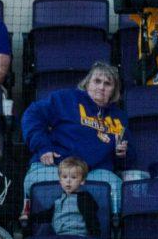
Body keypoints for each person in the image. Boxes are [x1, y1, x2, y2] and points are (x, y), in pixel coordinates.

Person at [20, 62, 128, 215]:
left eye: (108, 83)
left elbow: (127, 160)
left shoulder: (119, 117)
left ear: (114, 91)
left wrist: (122, 154)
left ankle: (108, 235)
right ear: (87, 83)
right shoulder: (66, 98)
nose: (102, 87)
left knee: (116, 187)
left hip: (95, 172)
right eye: (97, 81)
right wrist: (43, 147)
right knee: (37, 180)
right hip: (56, 165)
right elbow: (32, 115)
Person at [28, 157, 100, 239]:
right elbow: (47, 215)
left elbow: (93, 222)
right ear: (60, 180)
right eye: (64, 177)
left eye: (73, 177)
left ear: (82, 181)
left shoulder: (84, 199)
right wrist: (29, 217)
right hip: (59, 238)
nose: (68, 181)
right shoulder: (59, 200)